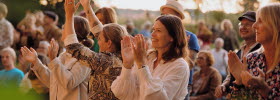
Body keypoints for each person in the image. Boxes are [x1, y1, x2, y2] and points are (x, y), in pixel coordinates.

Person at [112, 15, 190, 100]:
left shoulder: (179, 66)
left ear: (172, 37)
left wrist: (141, 65)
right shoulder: (148, 57)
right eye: (153, 30)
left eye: (158, 31)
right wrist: (127, 65)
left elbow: (156, 97)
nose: (152, 34)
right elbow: (121, 93)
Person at [62, 0, 128, 99]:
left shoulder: (106, 61)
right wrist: (87, 7)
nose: (98, 41)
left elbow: (73, 47)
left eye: (100, 39)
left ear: (109, 43)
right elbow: (99, 30)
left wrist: (69, 15)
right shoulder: (120, 55)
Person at [21, 15, 94, 100]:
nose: (61, 31)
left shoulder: (86, 56)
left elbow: (69, 82)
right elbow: (52, 81)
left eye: (64, 28)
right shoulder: (64, 54)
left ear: (73, 32)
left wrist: (54, 59)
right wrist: (36, 62)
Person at [227, 3, 280, 99]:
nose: (254, 25)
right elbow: (237, 98)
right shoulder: (251, 59)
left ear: (276, 25)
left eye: (260, 21)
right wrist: (238, 82)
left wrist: (265, 90)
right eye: (242, 24)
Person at [215, 11, 262, 99]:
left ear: (257, 26)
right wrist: (224, 85)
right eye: (241, 24)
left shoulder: (261, 51)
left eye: (248, 24)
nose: (243, 27)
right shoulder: (238, 53)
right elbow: (230, 76)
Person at [160, 1, 200, 99]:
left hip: (182, 85)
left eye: (167, 15)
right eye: (162, 15)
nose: (163, 18)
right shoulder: (160, 36)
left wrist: (180, 46)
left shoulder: (190, 37)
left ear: (178, 17)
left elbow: (190, 64)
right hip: (161, 81)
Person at [0, 2, 14, 70]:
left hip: (3, 54)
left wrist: (0, 45)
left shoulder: (7, 25)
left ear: (3, 13)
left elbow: (10, 40)